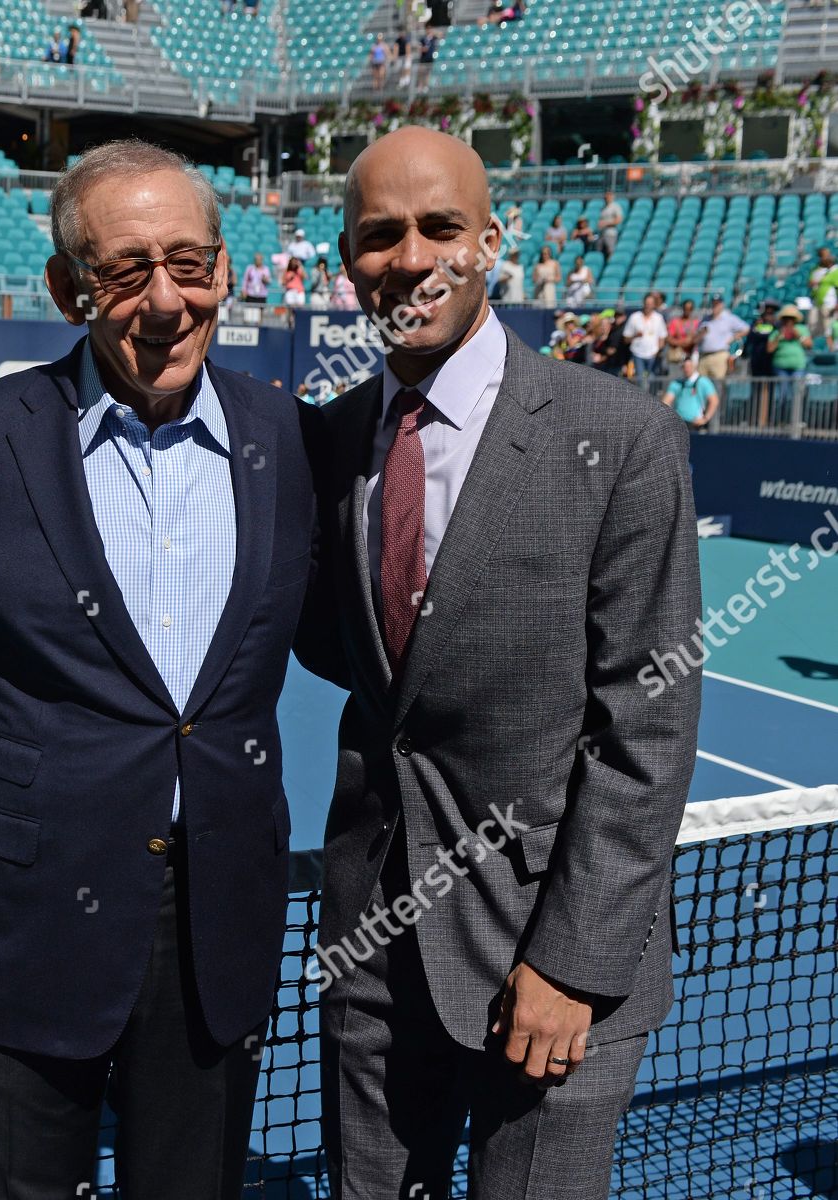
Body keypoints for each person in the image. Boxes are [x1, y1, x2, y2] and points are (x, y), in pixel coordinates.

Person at [0, 138, 315, 1200]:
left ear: (224, 271)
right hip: (26, 909)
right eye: (126, 271)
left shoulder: (292, 437)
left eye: (190, 264)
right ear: (69, 289)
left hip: (217, 916)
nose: (165, 302)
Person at [296, 125, 700, 1200]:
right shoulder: (331, 438)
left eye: (441, 227)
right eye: (381, 234)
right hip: (373, 945)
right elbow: (345, 654)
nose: (412, 257)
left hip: (551, 955)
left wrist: (572, 961)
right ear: (347, 260)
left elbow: (647, 728)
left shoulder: (622, 434)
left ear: (492, 241)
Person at [695, 292, 749, 403]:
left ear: (722, 304)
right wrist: (701, 334)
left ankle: (717, 418)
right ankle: (703, 417)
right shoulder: (706, 319)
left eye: (717, 303)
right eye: (713, 303)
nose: (715, 306)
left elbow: (746, 328)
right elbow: (697, 337)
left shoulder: (728, 318)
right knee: (701, 386)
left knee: (718, 387)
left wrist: (734, 337)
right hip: (704, 356)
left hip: (719, 355)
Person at [768, 303, 814, 413]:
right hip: (781, 367)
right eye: (786, 318)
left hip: (798, 366)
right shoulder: (777, 332)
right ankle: (782, 418)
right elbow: (769, 349)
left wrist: (799, 336)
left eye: (791, 318)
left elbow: (809, 344)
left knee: (797, 393)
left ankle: (796, 418)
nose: (788, 321)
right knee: (783, 394)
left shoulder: (801, 329)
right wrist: (779, 337)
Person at [662, 354, 719, 430]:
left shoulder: (703, 381)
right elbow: (666, 402)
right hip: (679, 423)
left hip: (695, 424)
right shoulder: (676, 383)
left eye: (689, 366)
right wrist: (668, 418)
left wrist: (705, 418)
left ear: (694, 366)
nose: (687, 369)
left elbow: (714, 401)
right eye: (684, 366)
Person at [624, 292, 667, 390]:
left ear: (654, 304)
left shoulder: (658, 318)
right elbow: (626, 338)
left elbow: (662, 337)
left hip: (653, 355)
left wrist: (658, 351)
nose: (648, 306)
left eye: (650, 303)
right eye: (647, 303)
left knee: (652, 379)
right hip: (638, 354)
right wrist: (635, 336)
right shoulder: (634, 317)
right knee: (641, 381)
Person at [746, 298, 779, 425]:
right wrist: (756, 327)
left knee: (769, 392)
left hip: (770, 363)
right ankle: (753, 418)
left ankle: (768, 420)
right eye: (766, 313)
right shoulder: (756, 325)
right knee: (756, 391)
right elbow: (751, 339)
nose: (768, 316)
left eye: (771, 313)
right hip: (756, 362)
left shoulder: (776, 326)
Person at [665, 298, 700, 367]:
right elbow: (668, 338)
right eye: (686, 308)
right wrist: (682, 343)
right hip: (679, 353)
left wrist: (691, 341)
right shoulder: (675, 322)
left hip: (693, 352)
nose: (688, 310)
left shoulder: (697, 323)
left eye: (690, 308)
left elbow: (699, 337)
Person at [596, 190, 623, 256]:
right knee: (599, 251)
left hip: (611, 233)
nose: (606, 197)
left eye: (608, 195)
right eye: (606, 196)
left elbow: (619, 220)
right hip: (602, 233)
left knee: (610, 251)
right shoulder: (603, 207)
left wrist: (606, 223)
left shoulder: (615, 206)